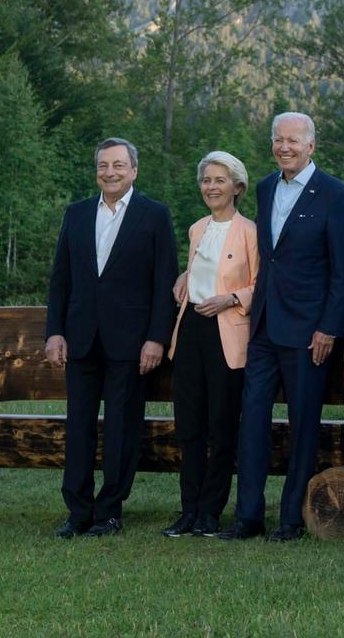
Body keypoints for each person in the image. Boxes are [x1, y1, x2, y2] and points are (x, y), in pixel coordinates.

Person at [225, 113, 344, 542]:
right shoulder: (264, 188)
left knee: (303, 426)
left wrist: (328, 328)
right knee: (252, 422)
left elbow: (343, 271)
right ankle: (247, 517)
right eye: (279, 140)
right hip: (263, 325)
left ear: (311, 146)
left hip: (309, 333)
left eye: (294, 141)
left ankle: (291, 519)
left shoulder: (334, 194)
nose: (285, 147)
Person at [44, 137, 179, 538]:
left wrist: (156, 338)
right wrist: (55, 332)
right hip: (81, 338)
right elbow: (60, 280)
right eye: (104, 165)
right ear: (96, 170)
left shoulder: (154, 215)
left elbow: (164, 283)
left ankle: (109, 511)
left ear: (134, 170)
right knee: (79, 426)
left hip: (132, 343)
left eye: (119, 165)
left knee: (122, 428)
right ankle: (78, 511)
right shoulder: (77, 214)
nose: (110, 172)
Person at [163, 151, 258, 539]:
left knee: (221, 426)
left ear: (237, 187)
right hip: (190, 332)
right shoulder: (197, 228)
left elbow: (261, 283)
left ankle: (210, 512)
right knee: (189, 426)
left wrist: (233, 298)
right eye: (206, 180)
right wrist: (184, 274)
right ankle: (188, 511)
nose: (211, 187)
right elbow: (202, 270)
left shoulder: (250, 231)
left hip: (226, 333)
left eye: (220, 180)